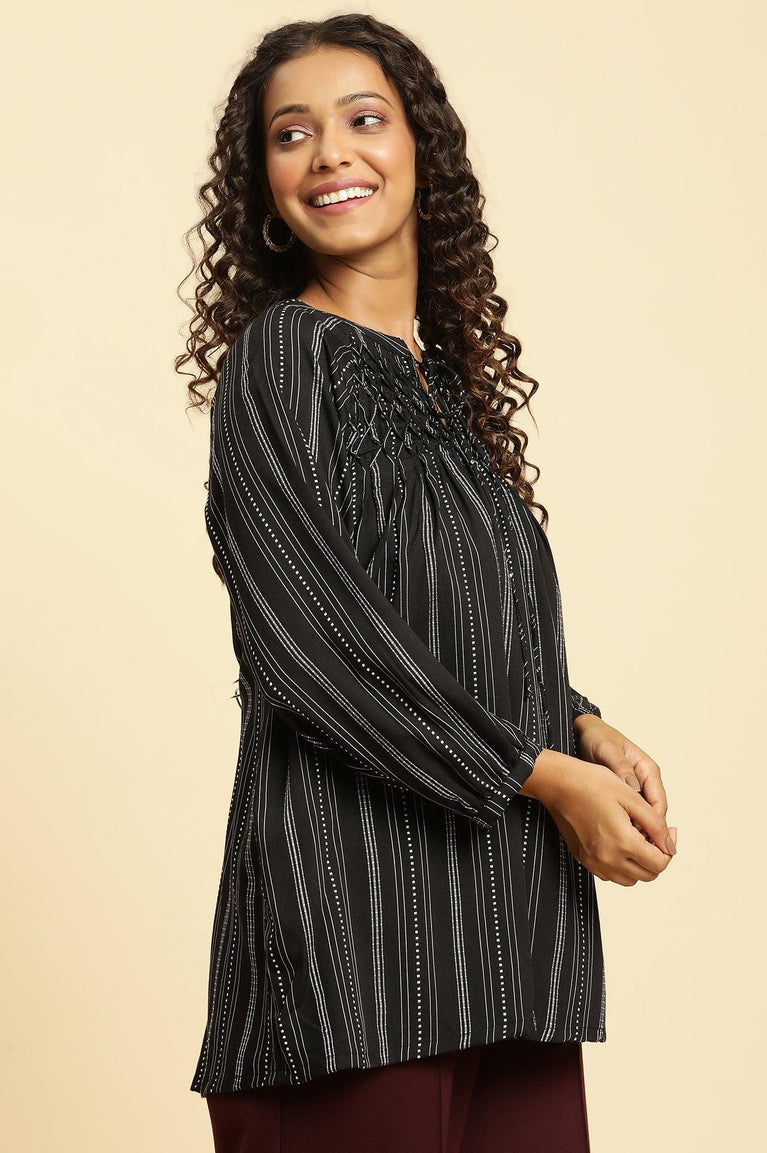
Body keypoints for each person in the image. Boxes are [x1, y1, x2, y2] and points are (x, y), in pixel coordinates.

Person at [176, 14, 678, 1152]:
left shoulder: (438, 387)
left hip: (510, 947)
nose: (329, 153)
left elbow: (450, 624)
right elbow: (312, 641)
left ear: (420, 151)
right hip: (354, 955)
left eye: (363, 119)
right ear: (265, 189)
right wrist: (542, 773)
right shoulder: (282, 358)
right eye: (290, 134)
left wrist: (580, 726)